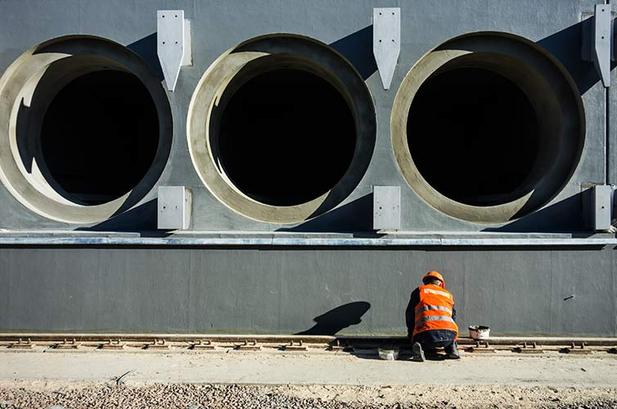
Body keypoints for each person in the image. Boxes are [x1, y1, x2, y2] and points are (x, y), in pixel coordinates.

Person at [405, 270, 460, 361]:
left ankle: (418, 347)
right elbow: (453, 317)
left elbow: (409, 314)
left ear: (425, 282)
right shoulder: (448, 294)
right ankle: (452, 348)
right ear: (440, 283)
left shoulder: (419, 291)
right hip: (449, 336)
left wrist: (411, 334)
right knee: (450, 331)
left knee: (417, 338)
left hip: (425, 336)